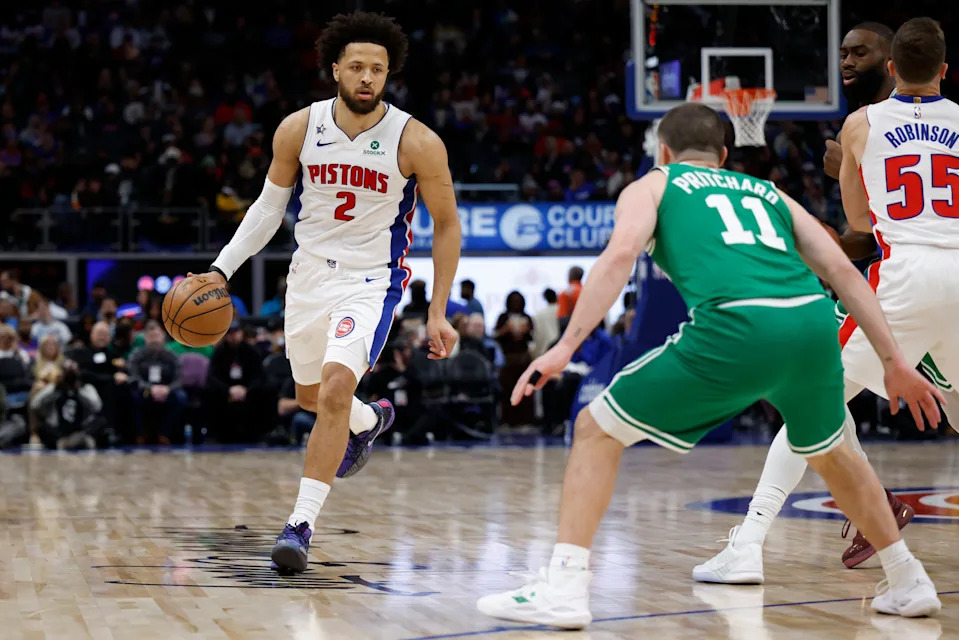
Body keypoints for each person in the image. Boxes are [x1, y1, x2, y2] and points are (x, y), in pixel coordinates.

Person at [476, 102, 944, 628]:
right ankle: (907, 580)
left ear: (664, 152)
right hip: (811, 322)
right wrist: (895, 360)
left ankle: (563, 586)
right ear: (724, 155)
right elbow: (843, 269)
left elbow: (618, 256)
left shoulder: (653, 185)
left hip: (736, 326)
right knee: (834, 454)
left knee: (594, 430)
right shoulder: (769, 192)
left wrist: (564, 347)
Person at [192, 12, 460, 573]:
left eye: (378, 70)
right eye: (357, 66)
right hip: (308, 277)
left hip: (370, 281)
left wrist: (438, 311)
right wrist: (221, 270)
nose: (367, 77)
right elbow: (269, 209)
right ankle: (370, 421)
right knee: (315, 400)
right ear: (335, 68)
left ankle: (299, 525)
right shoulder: (298, 128)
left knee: (335, 391)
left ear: (389, 75)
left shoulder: (417, 141)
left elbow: (447, 224)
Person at [696, 18, 959, 578]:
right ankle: (872, 509)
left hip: (906, 276)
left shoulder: (861, 125)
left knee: (810, 401)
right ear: (944, 70)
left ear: (891, 69)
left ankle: (749, 543)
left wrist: (856, 173)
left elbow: (861, 225)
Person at [127, 320, 187, 445]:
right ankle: (140, 434)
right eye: (151, 336)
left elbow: (179, 378)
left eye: (156, 336)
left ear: (163, 336)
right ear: (145, 338)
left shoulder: (172, 355)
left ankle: (164, 433)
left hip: (167, 392)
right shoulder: (137, 355)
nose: (154, 340)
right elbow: (134, 376)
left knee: (181, 397)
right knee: (133, 396)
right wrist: (149, 388)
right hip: (146, 391)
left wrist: (168, 389)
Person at [495, 291, 535, 427]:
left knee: (526, 390)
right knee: (508, 390)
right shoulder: (503, 317)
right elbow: (495, 336)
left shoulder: (527, 317)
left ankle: (526, 420)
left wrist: (526, 332)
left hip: (523, 359)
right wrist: (505, 330)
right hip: (508, 360)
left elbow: (533, 338)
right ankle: (508, 420)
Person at [532, 288, 559, 358]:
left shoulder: (538, 314)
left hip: (544, 352)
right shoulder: (562, 311)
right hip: (560, 351)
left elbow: (536, 335)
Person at [556, 266, 583, 331]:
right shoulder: (586, 291)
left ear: (570, 276)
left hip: (572, 331)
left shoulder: (565, 293)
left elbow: (562, 317)